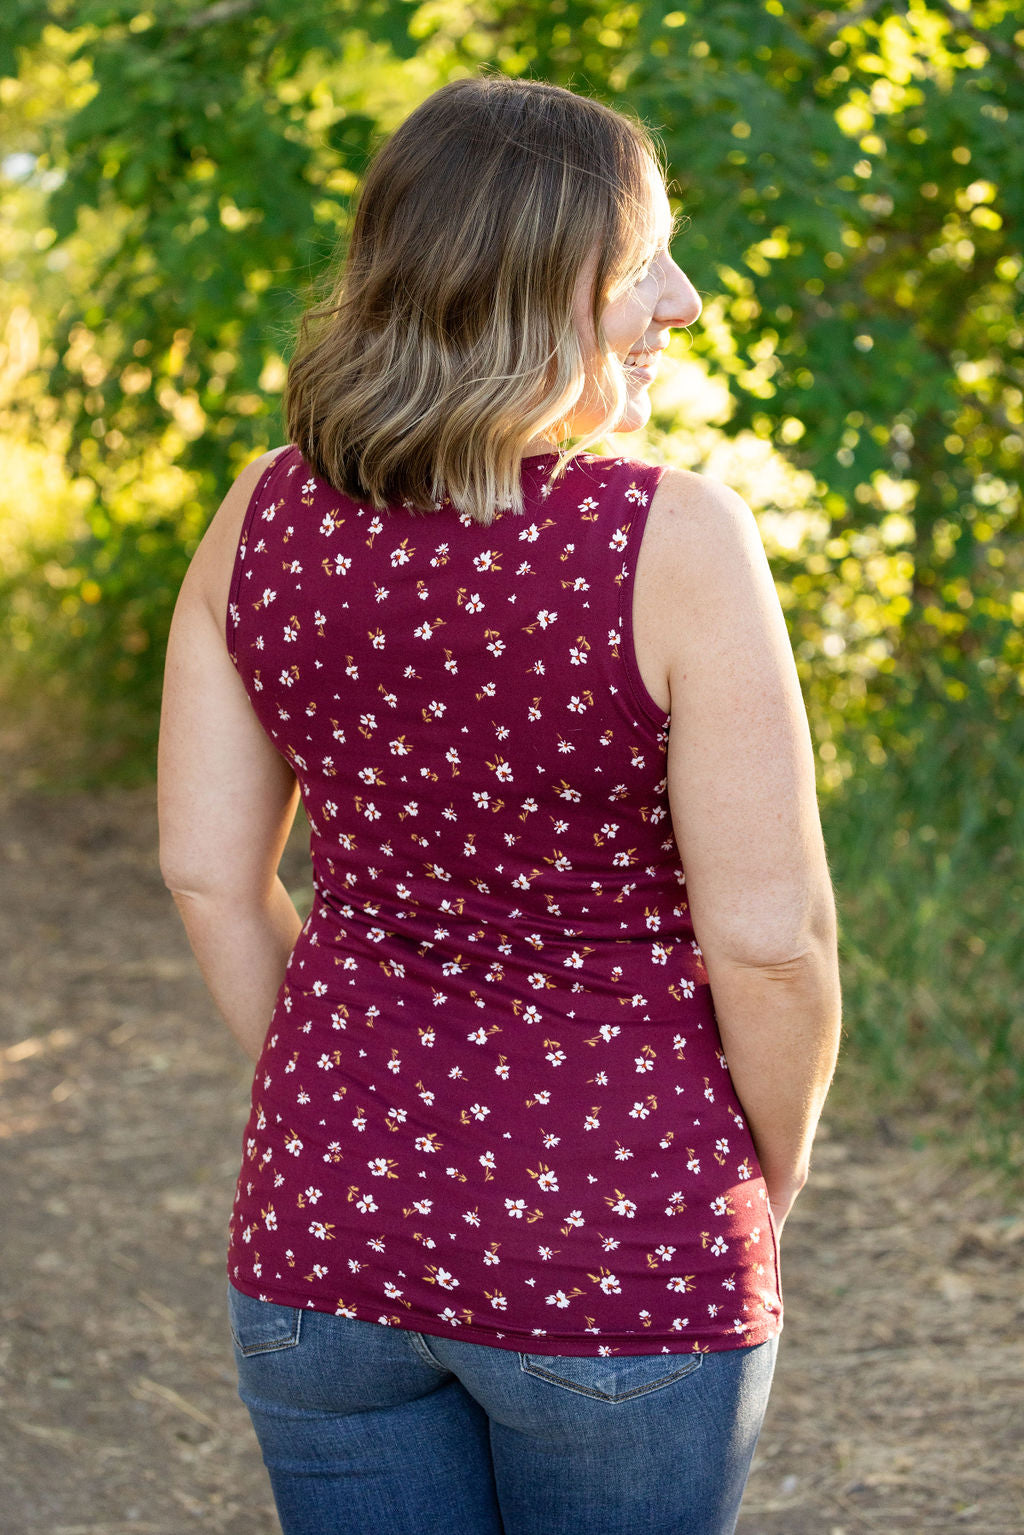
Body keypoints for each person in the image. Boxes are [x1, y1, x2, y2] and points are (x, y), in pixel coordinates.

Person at [158, 73, 841, 1535]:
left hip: (323, 1236)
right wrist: (756, 1181)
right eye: (646, 256)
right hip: (624, 1238)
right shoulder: (681, 541)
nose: (688, 297)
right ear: (536, 282)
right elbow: (776, 943)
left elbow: (211, 877)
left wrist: (342, 1111)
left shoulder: (259, 514)